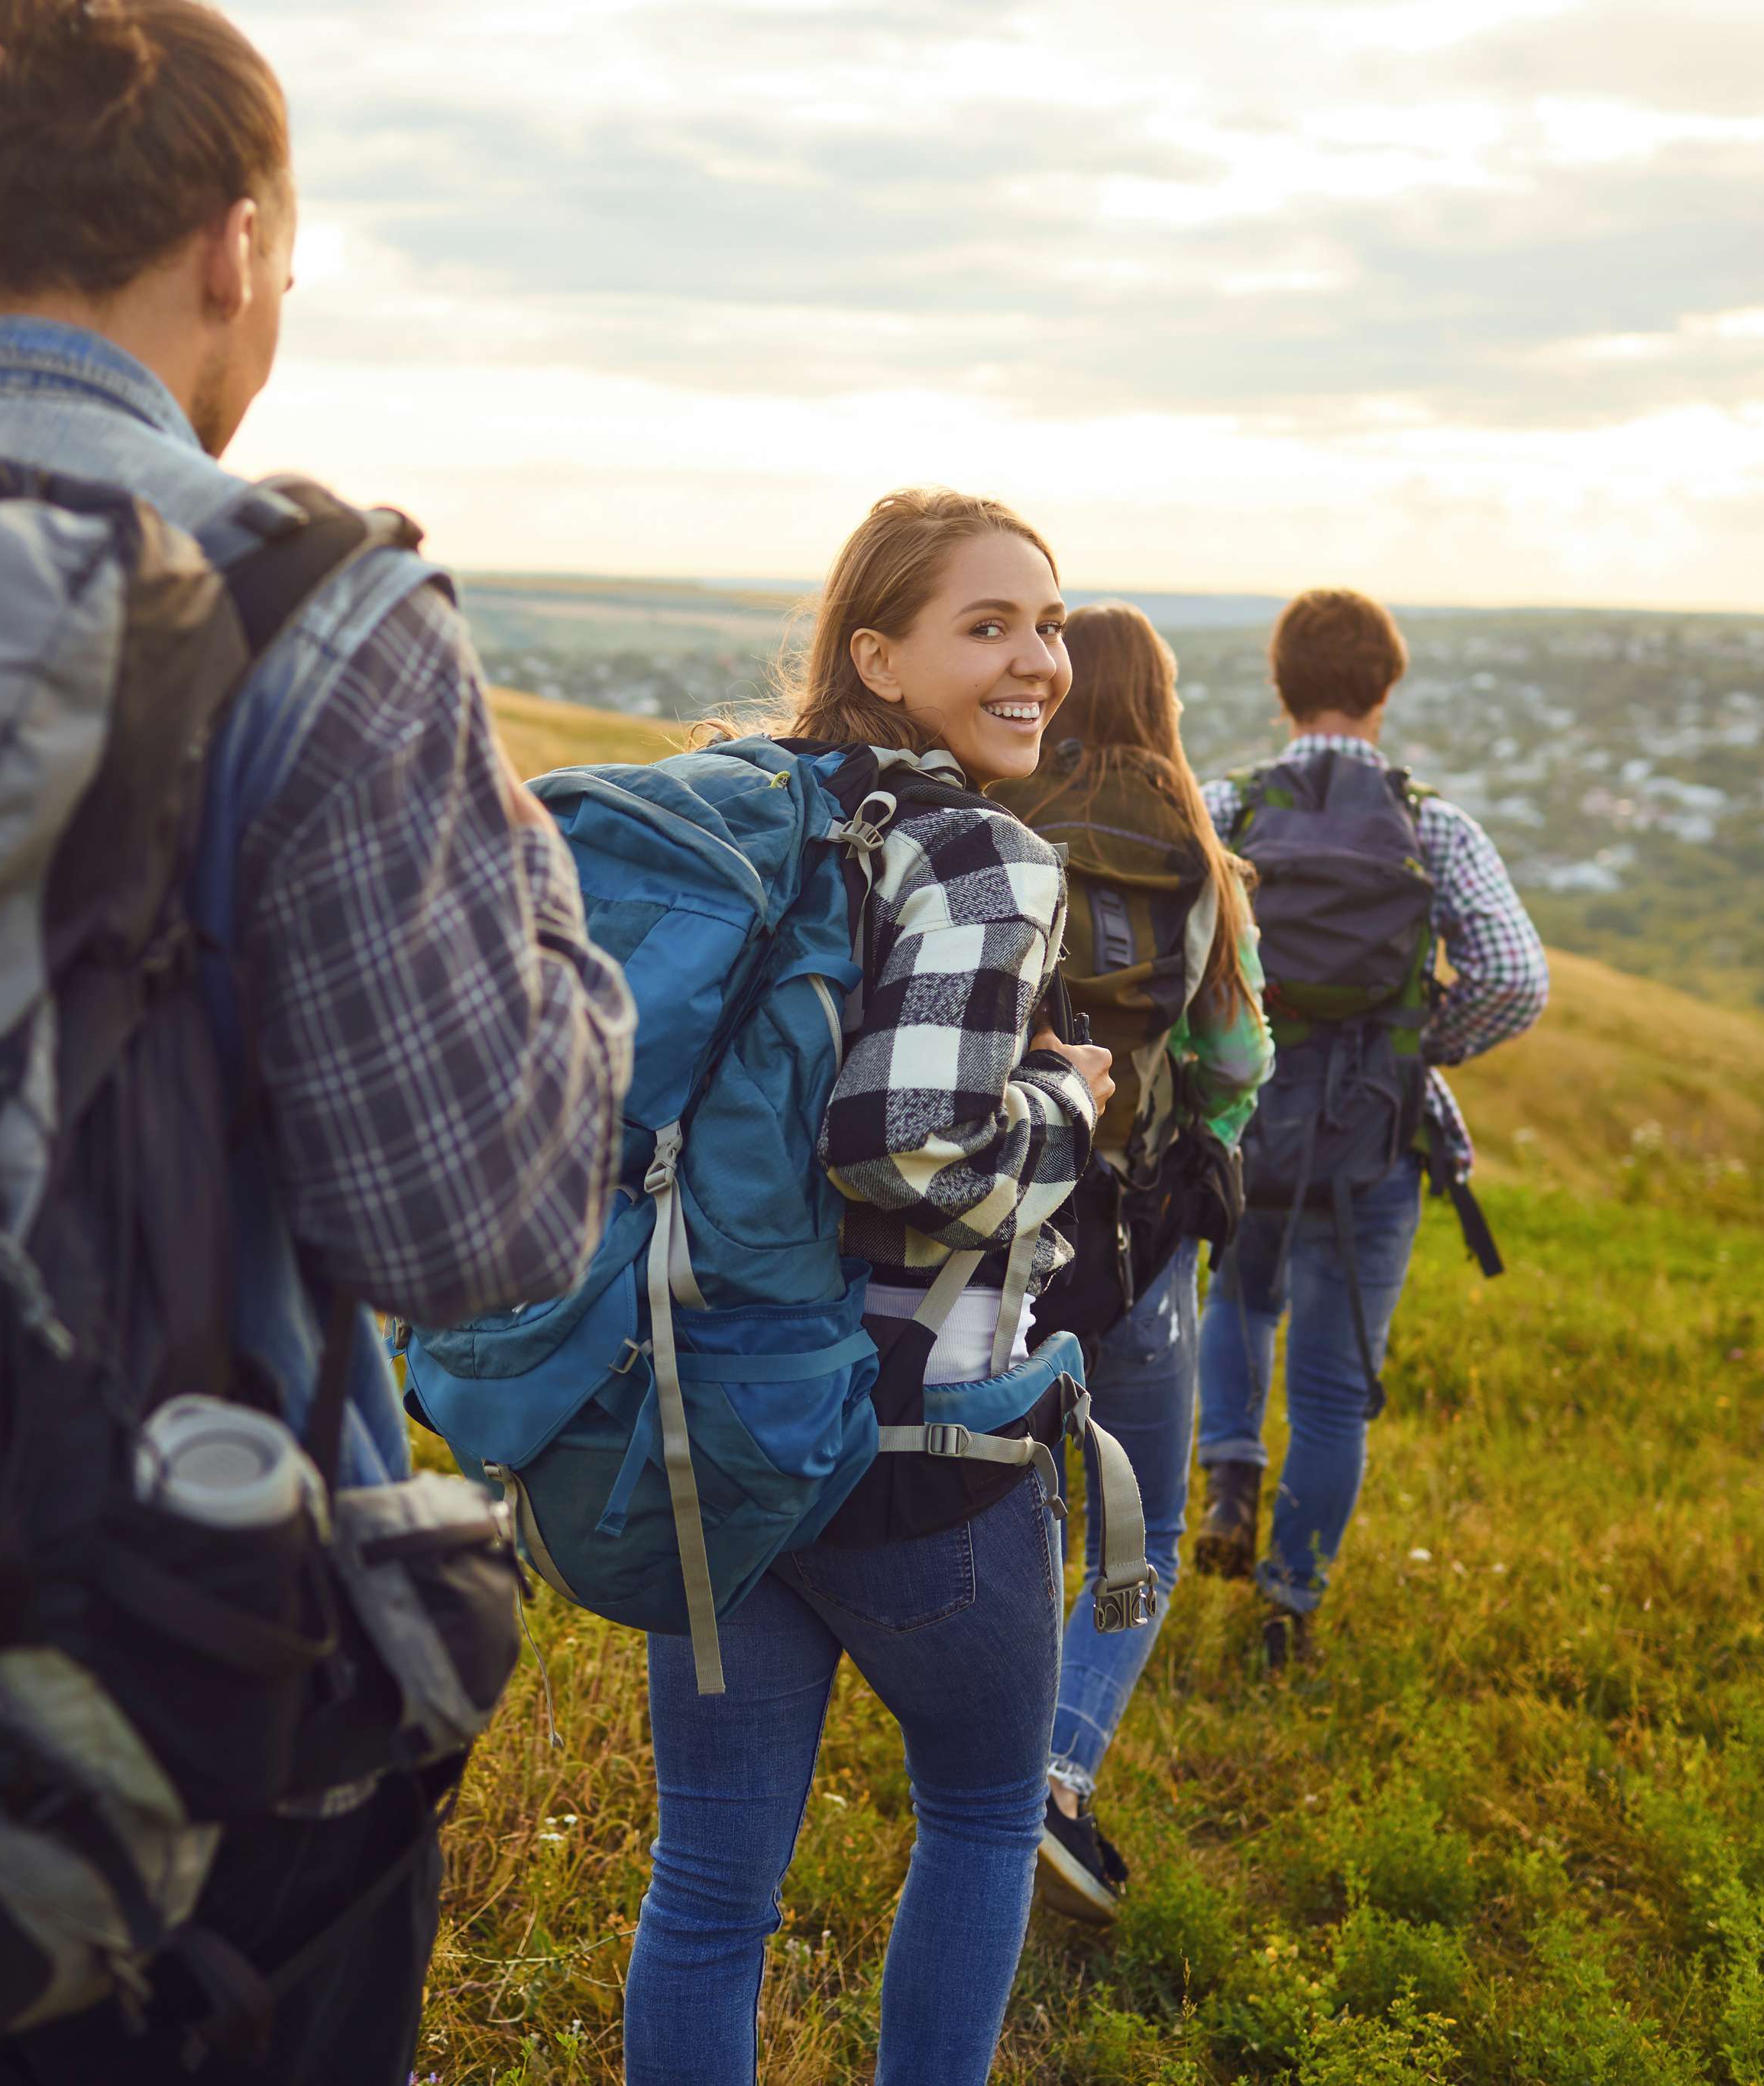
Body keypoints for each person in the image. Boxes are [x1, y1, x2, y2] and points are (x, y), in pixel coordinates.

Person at [0, 4, 638, 2080]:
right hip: (166, 1727)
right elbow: (483, 1223)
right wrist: (551, 919)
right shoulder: (306, 607)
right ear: (232, 247)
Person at [622, 490, 1115, 2086]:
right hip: (916, 1448)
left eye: (1046, 622)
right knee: (979, 1813)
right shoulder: (978, 854)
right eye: (988, 627)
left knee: (705, 1892)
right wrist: (1070, 1112)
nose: (1038, 658)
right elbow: (898, 1147)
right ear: (878, 656)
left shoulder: (741, 805)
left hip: (712, 1426)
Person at [1193, 587, 1547, 1668]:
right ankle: (1287, 1606)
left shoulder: (1227, 807)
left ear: (1280, 686)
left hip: (1245, 1121)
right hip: (1376, 1146)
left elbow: (1175, 953)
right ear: (1386, 689)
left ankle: (1230, 1473)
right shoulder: (1435, 823)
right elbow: (1515, 981)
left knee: (1239, 1301)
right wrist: (1409, 1047)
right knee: (1338, 1391)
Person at [995, 603, 1274, 1926]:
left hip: (986, 1227)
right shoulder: (1202, 864)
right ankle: (1048, 1774)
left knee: (1002, 1502)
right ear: (1160, 701)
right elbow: (1240, 1064)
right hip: (1138, 1231)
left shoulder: (990, 827)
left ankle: (980, 1765)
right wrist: (1203, 1135)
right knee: (1144, 1526)